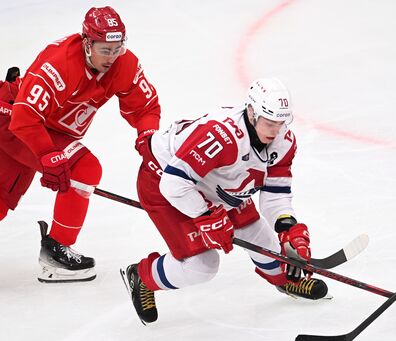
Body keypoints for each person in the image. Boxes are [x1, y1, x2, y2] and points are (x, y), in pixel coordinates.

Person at [121, 78, 328, 324]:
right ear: (251, 112)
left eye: (281, 123)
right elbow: (173, 183)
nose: (275, 132)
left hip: (216, 181)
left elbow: (275, 194)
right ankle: (142, 276)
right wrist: (205, 216)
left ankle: (285, 280)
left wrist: (287, 225)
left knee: (255, 231)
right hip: (163, 180)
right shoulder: (221, 136)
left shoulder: (283, 142)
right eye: (269, 123)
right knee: (202, 266)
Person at [0, 6, 161, 282]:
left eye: (117, 48)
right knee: (84, 168)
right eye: (104, 50)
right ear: (87, 44)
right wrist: (48, 154)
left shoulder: (124, 64)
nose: (112, 57)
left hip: (38, 129)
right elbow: (25, 116)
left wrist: (147, 137)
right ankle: (56, 252)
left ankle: (56, 251)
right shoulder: (59, 63)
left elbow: (145, 106)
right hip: (16, 122)